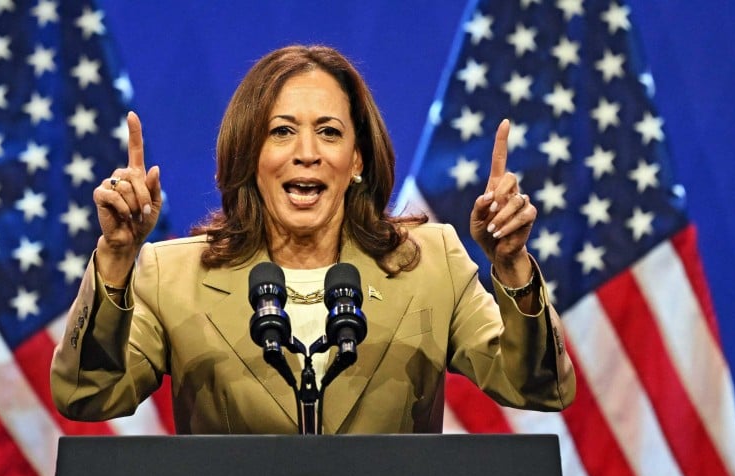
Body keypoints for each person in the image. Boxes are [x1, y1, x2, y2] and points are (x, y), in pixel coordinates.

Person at [50, 45, 575, 433]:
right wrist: (116, 257)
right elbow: (86, 394)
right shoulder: (175, 277)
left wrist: (512, 266)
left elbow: (539, 387)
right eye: (281, 131)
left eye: (329, 132)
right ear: (250, 156)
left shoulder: (430, 264)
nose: (307, 153)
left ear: (357, 160)